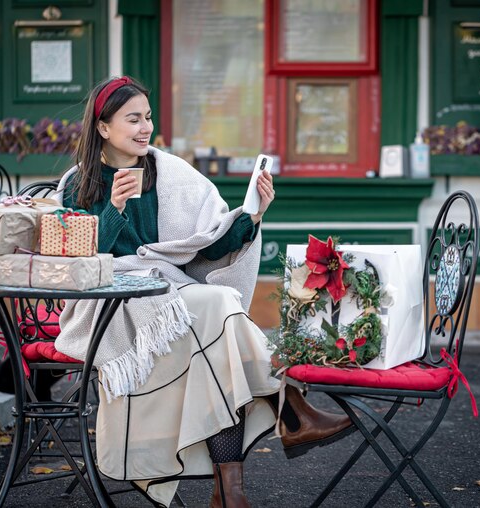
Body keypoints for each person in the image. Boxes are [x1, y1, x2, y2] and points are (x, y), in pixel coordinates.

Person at [54, 76, 353, 507]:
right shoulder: (77, 184)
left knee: (219, 344)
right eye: (133, 119)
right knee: (218, 305)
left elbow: (204, 245)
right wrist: (113, 210)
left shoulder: (169, 173)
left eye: (148, 118)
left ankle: (230, 492)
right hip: (114, 304)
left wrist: (252, 214)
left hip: (170, 295)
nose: (145, 128)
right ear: (103, 127)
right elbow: (81, 263)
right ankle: (290, 409)